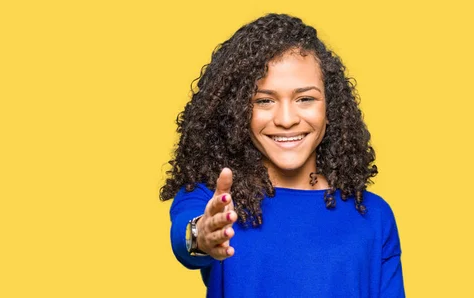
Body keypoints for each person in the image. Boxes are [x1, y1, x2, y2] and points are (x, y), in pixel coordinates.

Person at [159, 13, 405, 297]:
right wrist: (202, 235)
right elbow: (187, 236)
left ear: (331, 108)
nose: (286, 119)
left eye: (305, 99)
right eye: (264, 101)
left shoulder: (373, 215)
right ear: (236, 112)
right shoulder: (214, 202)